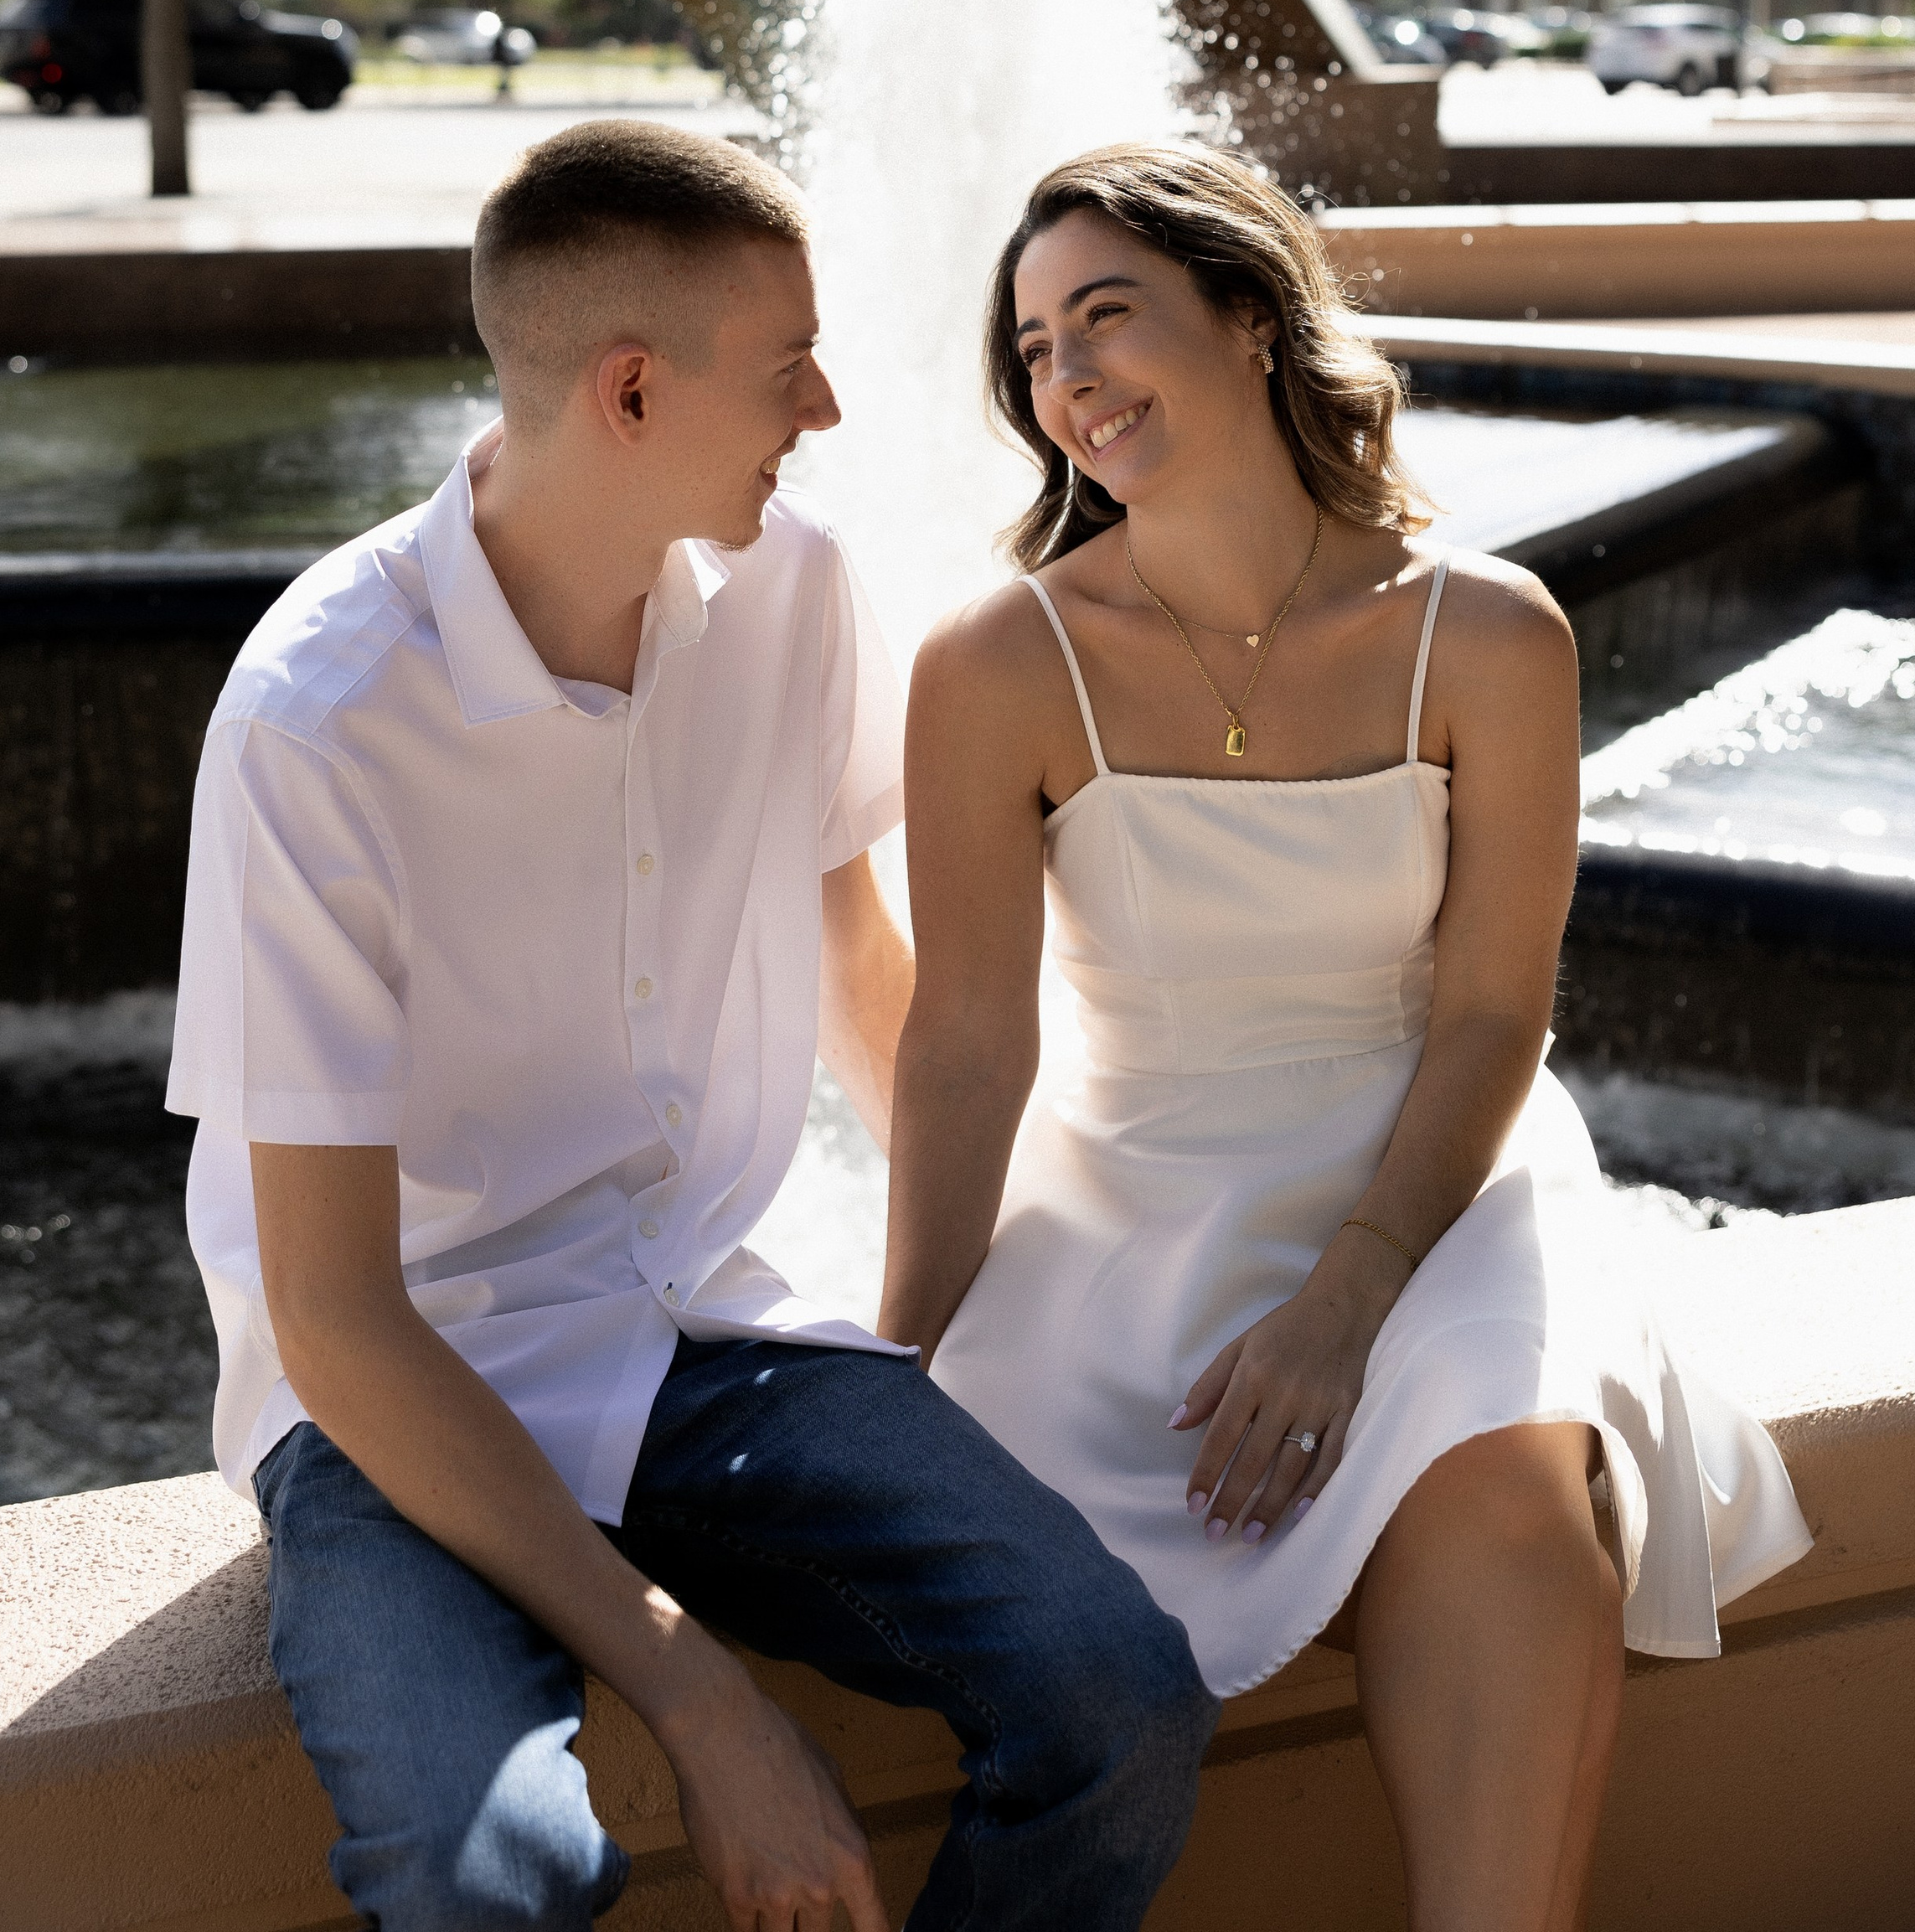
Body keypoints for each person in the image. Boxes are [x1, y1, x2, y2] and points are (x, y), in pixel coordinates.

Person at [167, 121, 1212, 1932]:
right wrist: (699, 1692)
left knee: (1116, 1690)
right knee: (489, 1869)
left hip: (694, 1328)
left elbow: (860, 976)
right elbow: (333, 1315)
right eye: (784, 362)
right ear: (632, 391)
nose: (820, 406)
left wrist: (1027, 1300)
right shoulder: (316, 722)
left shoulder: (789, 588)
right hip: (400, 1395)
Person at [885, 142, 1811, 1932]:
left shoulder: (1484, 630)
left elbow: (1489, 1010)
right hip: (1140, 1184)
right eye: (1031, 346)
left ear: (1247, 319)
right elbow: (966, 1043)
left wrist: (1345, 1295)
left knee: (1513, 1496)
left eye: (1105, 317)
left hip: (1437, 1167)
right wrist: (891, 1352)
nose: (1065, 377)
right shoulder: (997, 662)